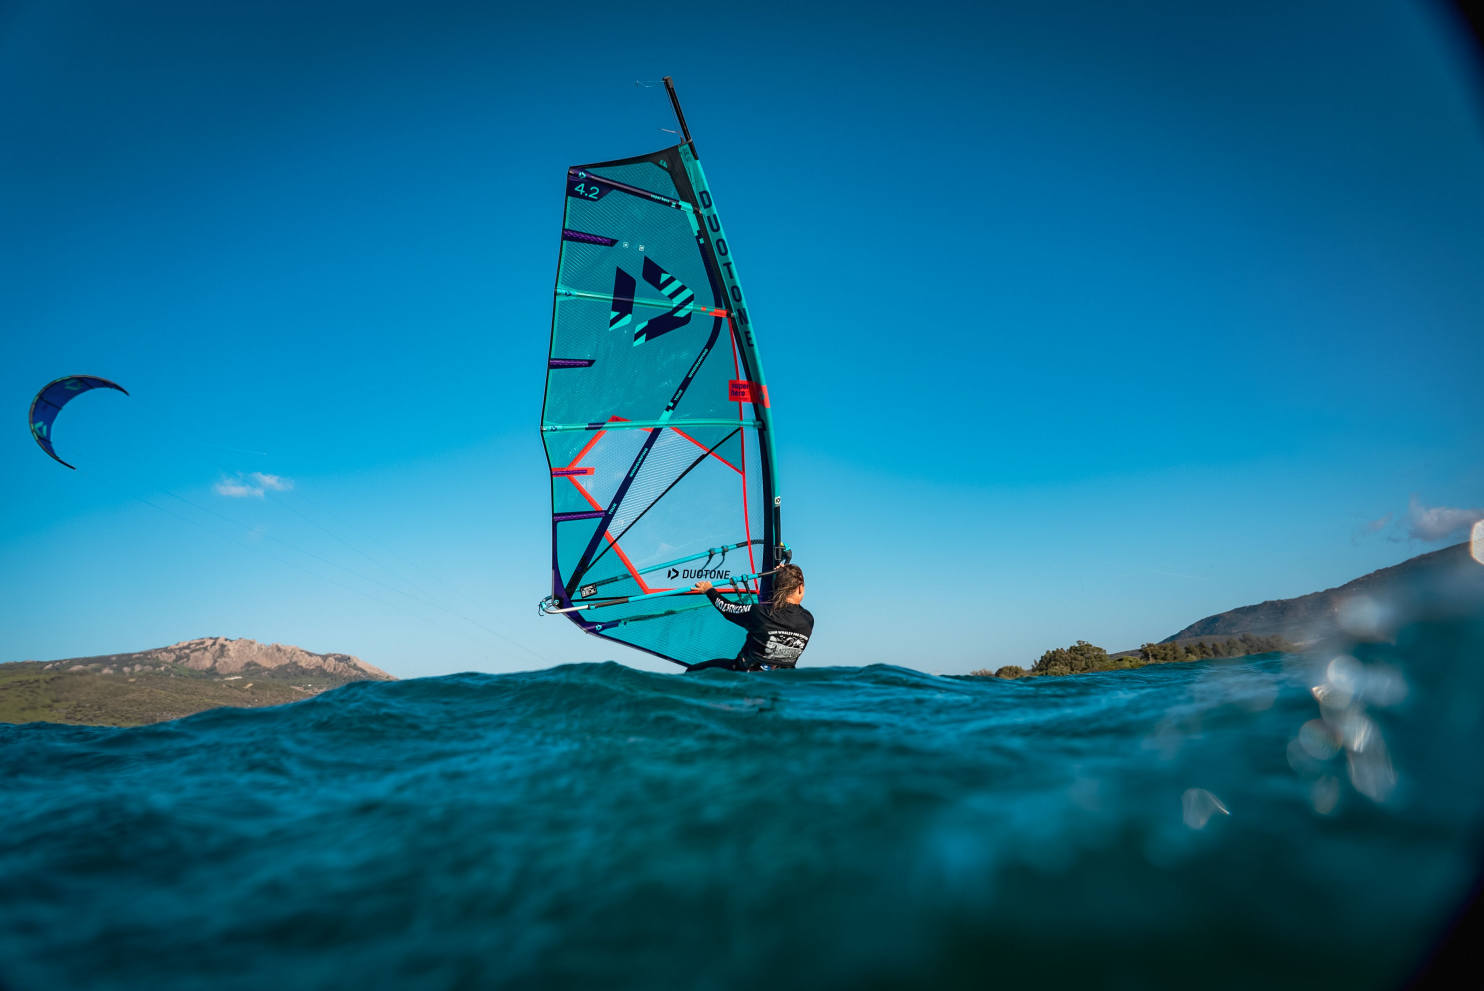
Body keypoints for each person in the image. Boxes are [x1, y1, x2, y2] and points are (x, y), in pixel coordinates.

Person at [684, 563, 813, 672]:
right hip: (782, 679)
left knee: (692, 671)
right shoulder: (808, 620)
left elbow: (726, 608)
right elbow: (785, 610)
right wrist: (785, 573)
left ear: (776, 588)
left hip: (744, 673)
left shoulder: (759, 612)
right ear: (800, 588)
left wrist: (709, 590)